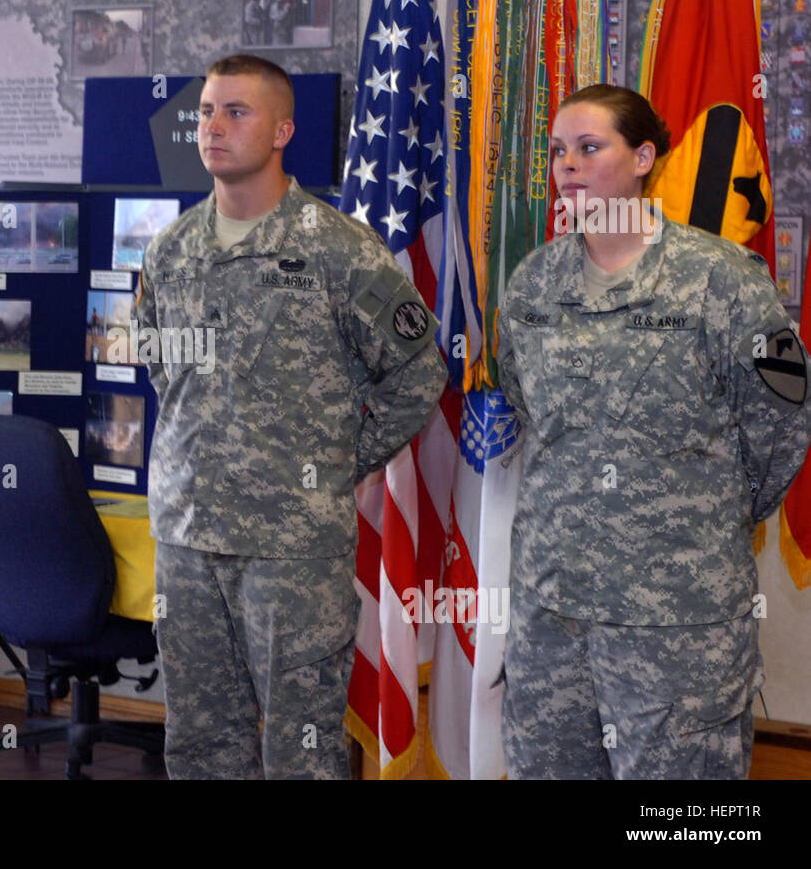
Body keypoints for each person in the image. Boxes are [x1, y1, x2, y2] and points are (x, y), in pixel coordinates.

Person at [134, 55, 446, 779]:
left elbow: (416, 371)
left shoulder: (339, 249)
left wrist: (339, 460)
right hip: (186, 537)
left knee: (300, 748)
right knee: (199, 743)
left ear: (282, 131)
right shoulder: (171, 250)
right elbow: (162, 369)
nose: (213, 127)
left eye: (235, 112)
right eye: (205, 112)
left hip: (293, 545)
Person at [495, 83, 811, 779]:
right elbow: (528, 407)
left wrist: (704, 516)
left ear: (643, 158)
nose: (568, 165)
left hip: (677, 621)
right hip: (553, 616)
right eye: (558, 150)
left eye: (589, 147)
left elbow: (783, 420)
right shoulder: (534, 284)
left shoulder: (719, 280)